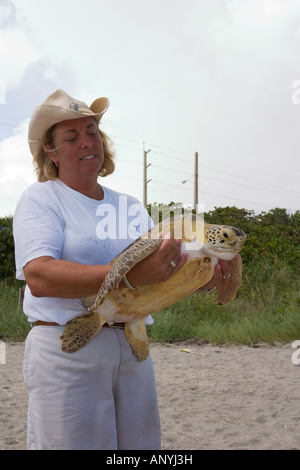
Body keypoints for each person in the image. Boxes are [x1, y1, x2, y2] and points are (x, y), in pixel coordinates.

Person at [13, 89, 234, 450]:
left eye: (92, 132)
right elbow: (39, 277)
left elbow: (165, 271)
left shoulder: (129, 206)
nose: (88, 142)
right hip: (67, 349)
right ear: (50, 152)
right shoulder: (42, 199)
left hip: (134, 346)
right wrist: (127, 274)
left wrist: (207, 273)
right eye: (72, 136)